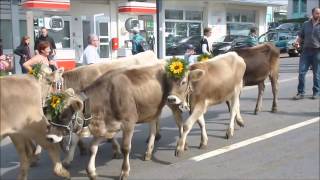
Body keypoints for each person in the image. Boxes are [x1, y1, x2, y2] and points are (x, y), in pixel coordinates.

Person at [293, 7, 320, 100]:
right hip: (306, 51)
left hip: (317, 52)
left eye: (319, 13)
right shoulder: (305, 24)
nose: (319, 15)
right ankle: (301, 93)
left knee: (316, 74)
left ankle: (316, 92)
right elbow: (300, 35)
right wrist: (297, 42)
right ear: (312, 13)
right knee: (301, 72)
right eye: (317, 13)